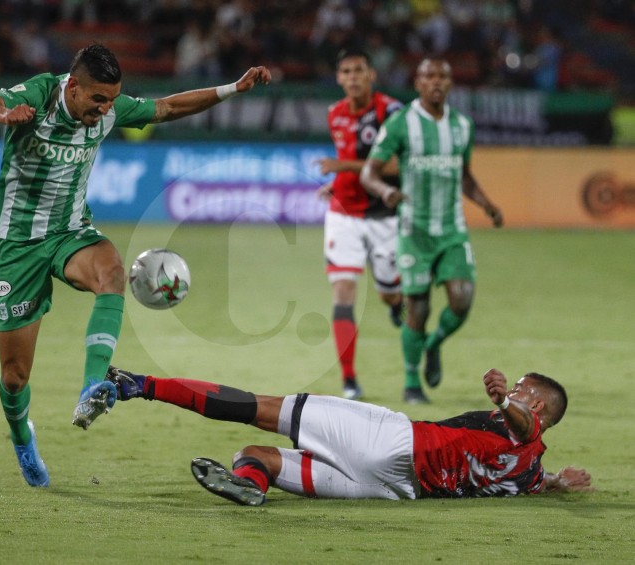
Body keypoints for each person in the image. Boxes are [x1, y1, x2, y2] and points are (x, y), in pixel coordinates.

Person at [0, 43, 271, 487]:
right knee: (14, 378)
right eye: (98, 100)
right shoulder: (38, 95)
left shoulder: (109, 110)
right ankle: (21, 437)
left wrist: (233, 88)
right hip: (19, 244)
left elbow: (167, 107)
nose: (107, 109)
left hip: (71, 232)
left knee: (113, 271)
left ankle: (92, 386)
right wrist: (2, 115)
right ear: (73, 88)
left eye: (113, 99)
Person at [106, 365, 592, 505]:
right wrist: (554, 483)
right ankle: (250, 488)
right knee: (255, 455)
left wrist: (506, 399)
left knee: (256, 408)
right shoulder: (527, 473)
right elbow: (529, 467)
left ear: (538, 407)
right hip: (391, 490)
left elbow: (521, 426)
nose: (518, 394)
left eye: (527, 391)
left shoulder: (523, 429)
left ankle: (141, 385)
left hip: (390, 440)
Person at [360, 57, 504, 404]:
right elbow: (369, 173)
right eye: (428, 76)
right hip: (415, 230)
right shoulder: (400, 124)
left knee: (463, 299)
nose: (436, 82)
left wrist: (486, 204)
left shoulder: (462, 126)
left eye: (442, 75)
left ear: (450, 83)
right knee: (419, 307)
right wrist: (386, 191)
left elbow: (464, 175)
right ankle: (412, 383)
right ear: (418, 83)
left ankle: (434, 344)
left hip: (452, 230)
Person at [316, 47, 404, 401]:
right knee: (343, 292)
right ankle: (349, 380)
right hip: (343, 215)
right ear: (339, 78)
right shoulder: (334, 113)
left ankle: (396, 303)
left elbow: (397, 166)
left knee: (388, 293)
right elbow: (351, 161)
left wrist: (343, 169)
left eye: (358, 70)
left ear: (372, 75)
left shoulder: (391, 112)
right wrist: (336, 183)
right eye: (346, 72)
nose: (352, 77)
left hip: (384, 216)